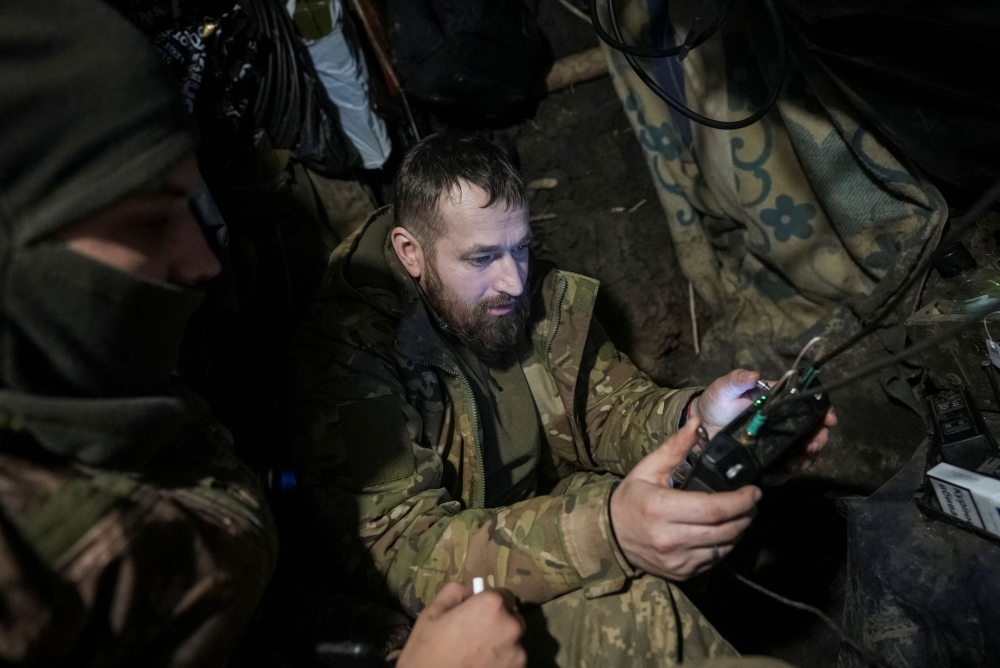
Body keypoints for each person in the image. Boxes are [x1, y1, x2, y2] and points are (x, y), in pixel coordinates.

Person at [0, 3, 526, 666]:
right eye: (147, 223)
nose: (202, 261)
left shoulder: (116, 393)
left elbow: (237, 618)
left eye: (191, 206)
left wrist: (389, 648)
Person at [287, 131, 837, 666]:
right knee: (635, 595)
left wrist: (695, 417)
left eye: (521, 248)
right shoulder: (353, 359)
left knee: (677, 502)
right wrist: (606, 531)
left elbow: (609, 411)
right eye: (480, 259)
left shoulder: (532, 298)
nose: (513, 281)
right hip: (434, 604)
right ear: (411, 252)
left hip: (529, 518)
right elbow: (406, 551)